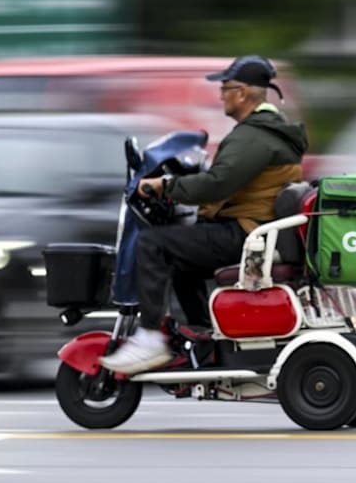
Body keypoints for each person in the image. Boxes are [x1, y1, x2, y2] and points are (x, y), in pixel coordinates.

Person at [99, 55, 309, 374]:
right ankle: (204, 338)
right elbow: (228, 178)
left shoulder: (255, 135)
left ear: (242, 92)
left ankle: (151, 338)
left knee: (153, 244)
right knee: (183, 261)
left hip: (245, 234)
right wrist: (184, 181)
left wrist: (165, 185)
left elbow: (218, 183)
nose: (221, 95)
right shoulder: (264, 132)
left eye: (225, 88)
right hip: (252, 231)